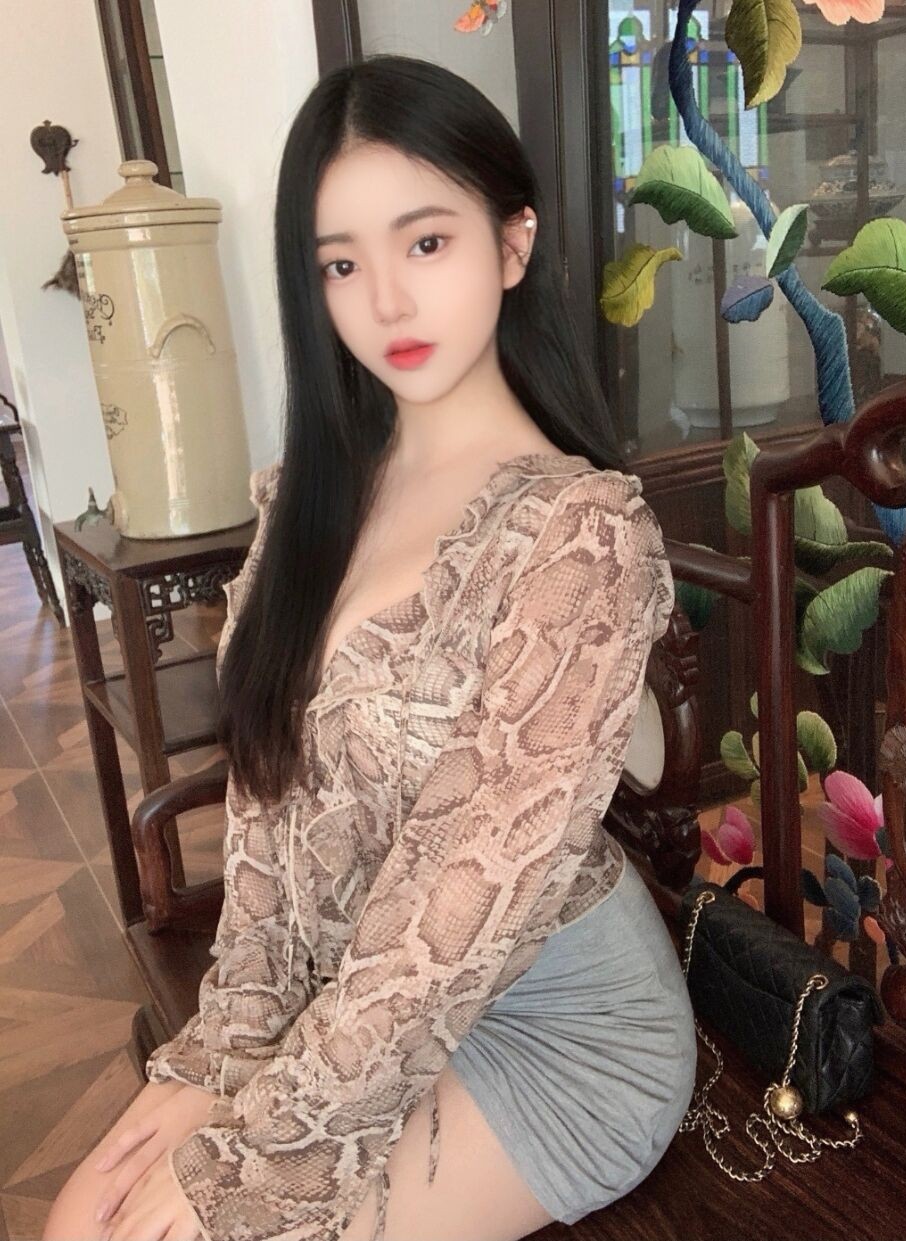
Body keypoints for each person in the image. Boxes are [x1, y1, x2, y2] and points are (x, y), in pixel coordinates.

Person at [44, 53, 696, 1241]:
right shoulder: (310, 497)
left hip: (559, 1030)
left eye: (427, 242)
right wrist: (226, 1049)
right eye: (341, 264)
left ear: (512, 244)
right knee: (80, 1218)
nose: (386, 302)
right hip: (352, 993)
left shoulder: (580, 537)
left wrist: (257, 1147)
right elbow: (266, 811)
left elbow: (458, 917)